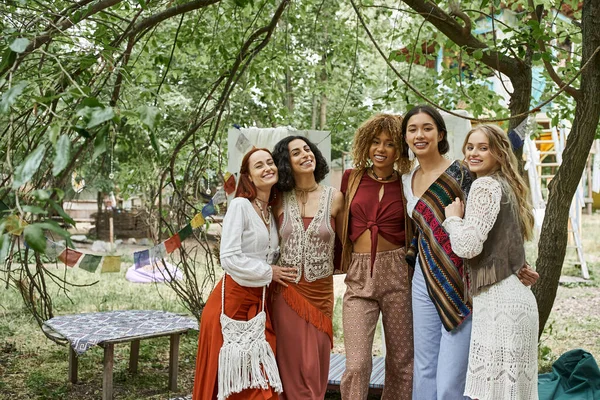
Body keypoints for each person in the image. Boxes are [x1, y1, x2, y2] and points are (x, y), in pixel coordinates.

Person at [401, 105, 538, 400]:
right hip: (424, 275)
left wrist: (514, 262)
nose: (420, 135)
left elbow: (498, 222)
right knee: (424, 364)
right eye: (413, 129)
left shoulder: (464, 172)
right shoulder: (406, 179)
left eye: (427, 128)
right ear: (406, 137)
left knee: (453, 372)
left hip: (461, 276)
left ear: (440, 134)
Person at [192, 148, 297, 400]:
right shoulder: (240, 205)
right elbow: (229, 257)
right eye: (258, 165)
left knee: (258, 377)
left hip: (259, 302)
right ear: (248, 176)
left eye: (270, 162)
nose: (267, 168)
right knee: (234, 381)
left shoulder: (270, 212)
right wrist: (268, 272)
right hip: (231, 304)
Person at [443, 124, 539, 400]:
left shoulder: (484, 186)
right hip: (516, 299)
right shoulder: (507, 185)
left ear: (499, 152)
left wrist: (452, 219)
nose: (473, 153)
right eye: (470, 147)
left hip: (500, 306)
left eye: (483, 148)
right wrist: (519, 266)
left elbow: (468, 246)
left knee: (493, 393)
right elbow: (507, 243)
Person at [338, 114, 414, 400]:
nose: (381, 149)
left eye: (390, 144)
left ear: (400, 150)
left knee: (402, 363)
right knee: (357, 363)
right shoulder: (352, 177)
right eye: (375, 141)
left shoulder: (408, 183)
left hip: (398, 275)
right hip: (359, 277)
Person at [270, 135, 344, 400]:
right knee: (287, 366)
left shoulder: (336, 198)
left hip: (321, 295)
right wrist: (270, 271)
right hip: (285, 294)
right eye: (296, 152)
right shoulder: (277, 199)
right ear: (286, 163)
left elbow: (344, 245)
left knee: (315, 366)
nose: (305, 154)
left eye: (308, 149)